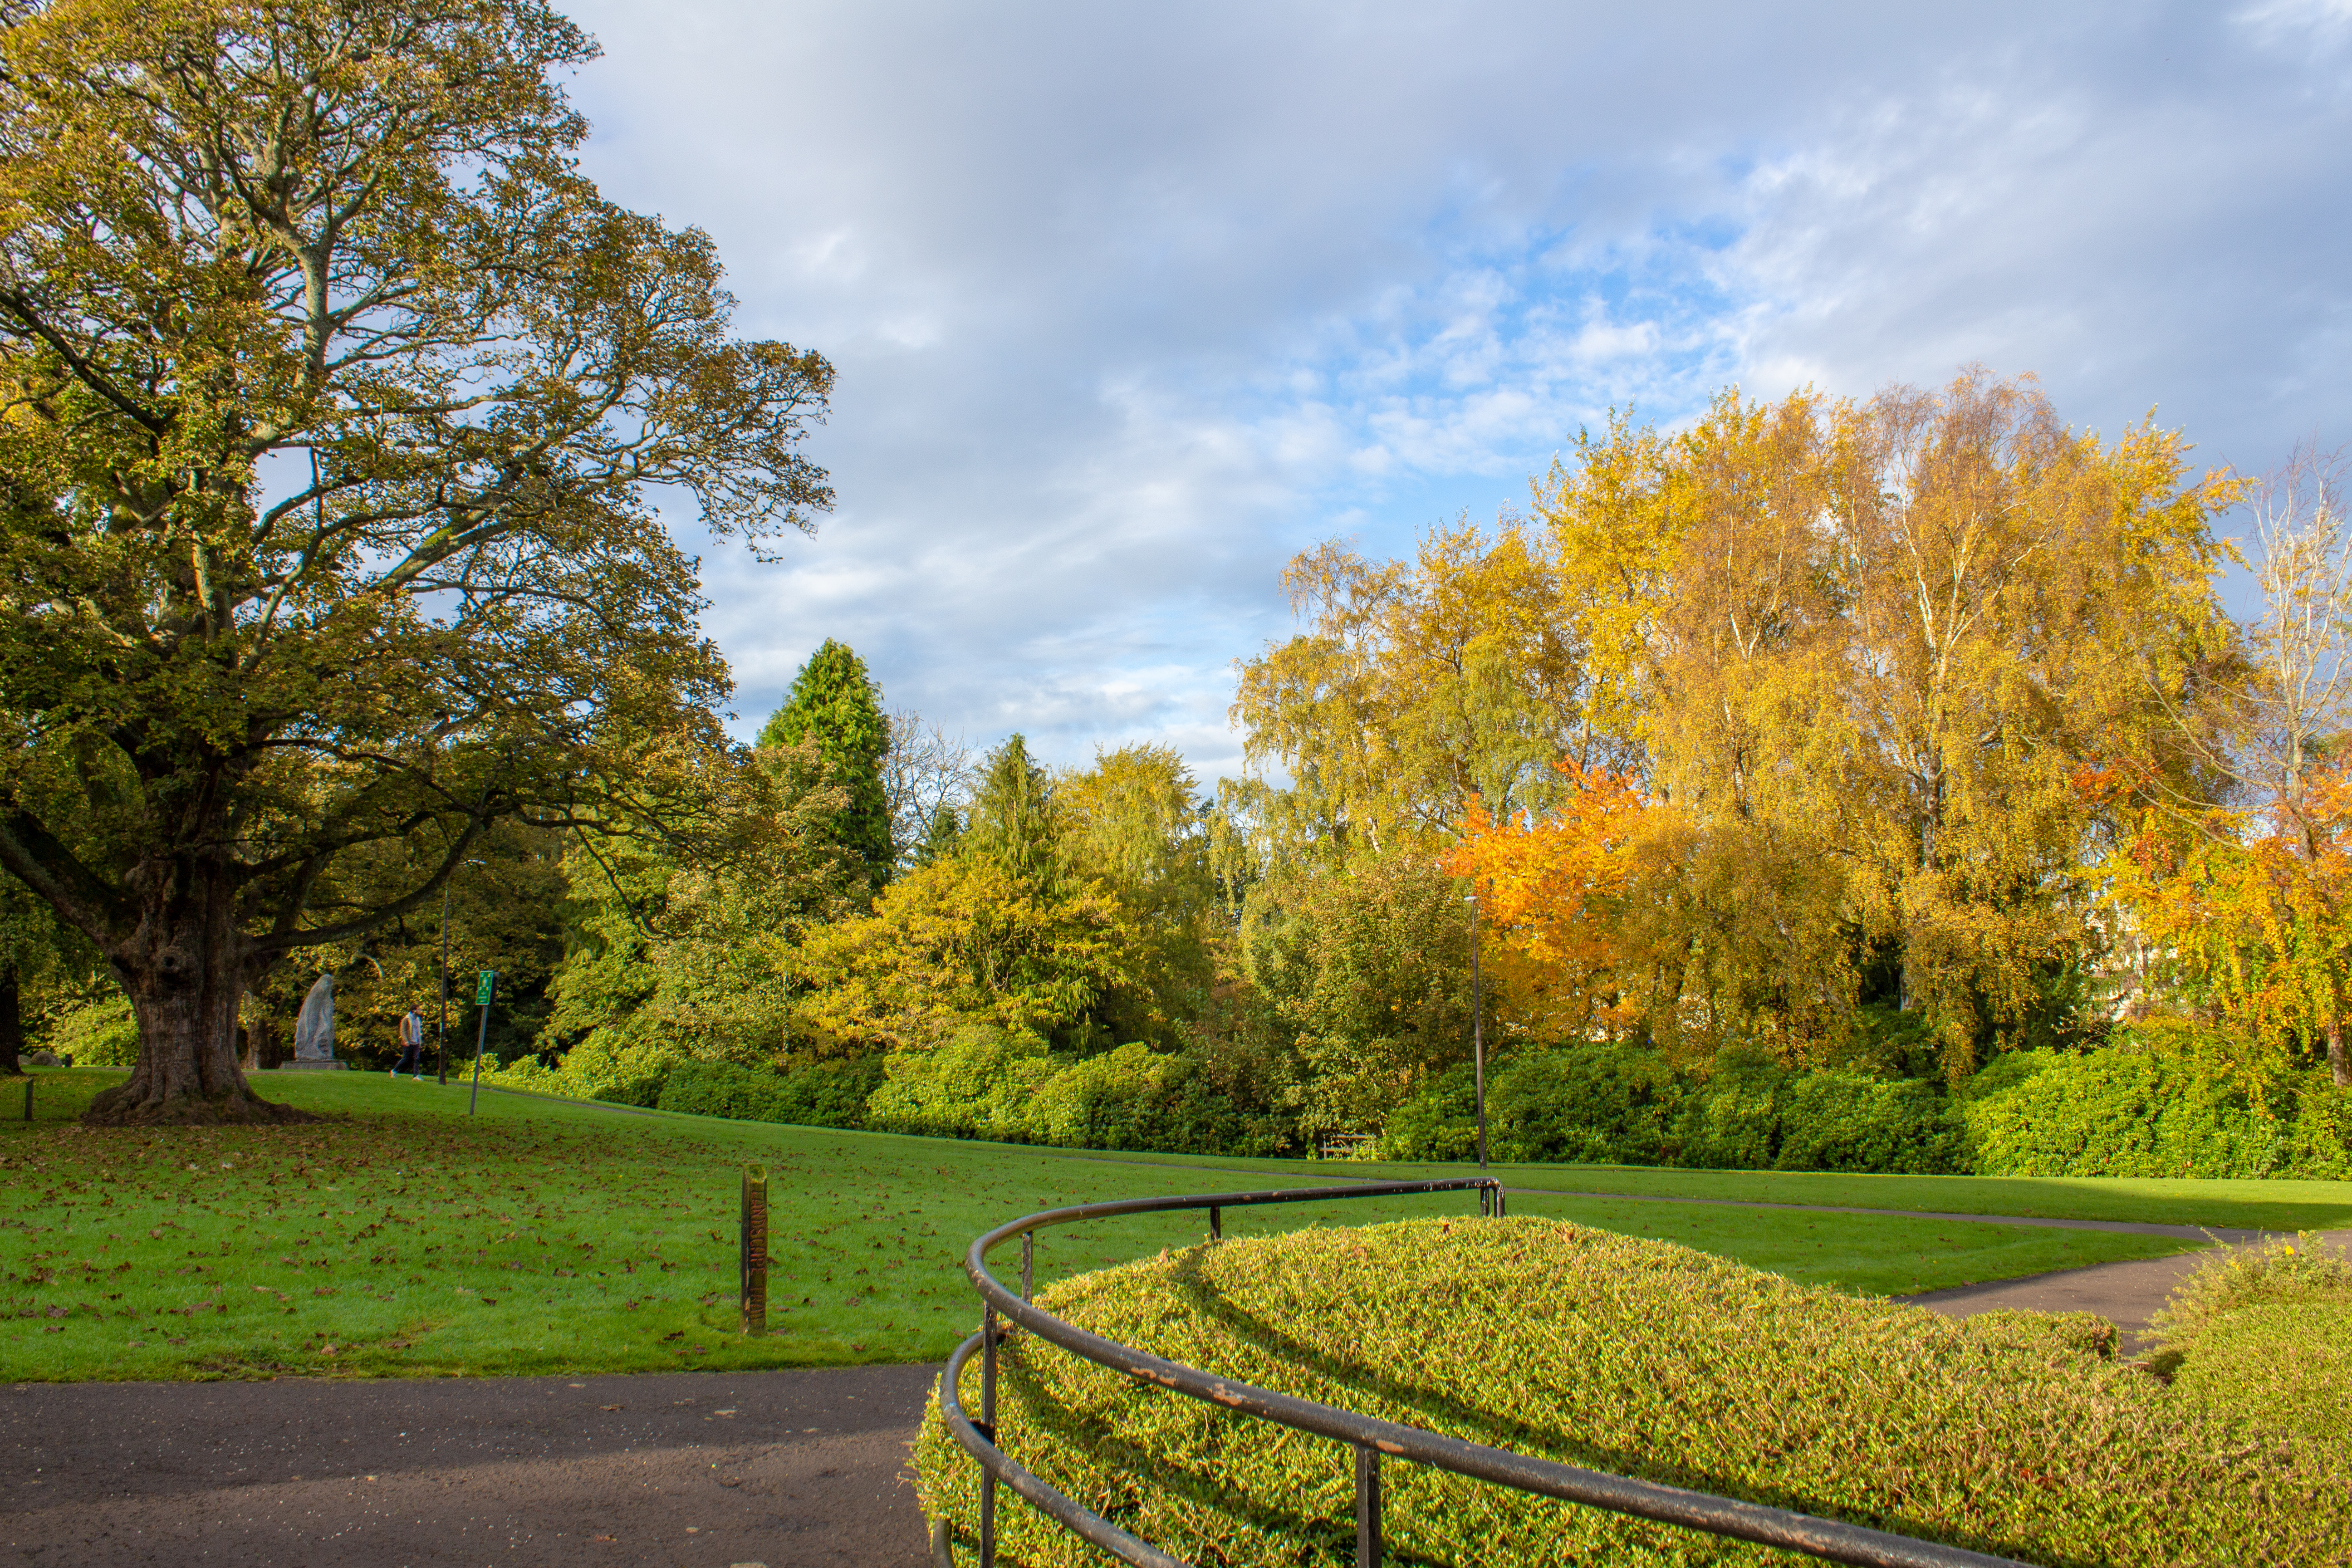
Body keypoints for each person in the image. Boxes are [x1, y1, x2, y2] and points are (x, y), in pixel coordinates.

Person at [392, 1006, 426, 1079]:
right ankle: (394, 1071)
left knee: (417, 1058)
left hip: (416, 1042)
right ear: (414, 1010)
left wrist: (420, 1041)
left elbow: (419, 1031)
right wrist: (405, 1041)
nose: (420, 1011)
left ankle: (416, 1076)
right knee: (406, 1059)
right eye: (419, 1010)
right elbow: (403, 1031)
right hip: (408, 1042)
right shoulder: (406, 1019)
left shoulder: (418, 1020)